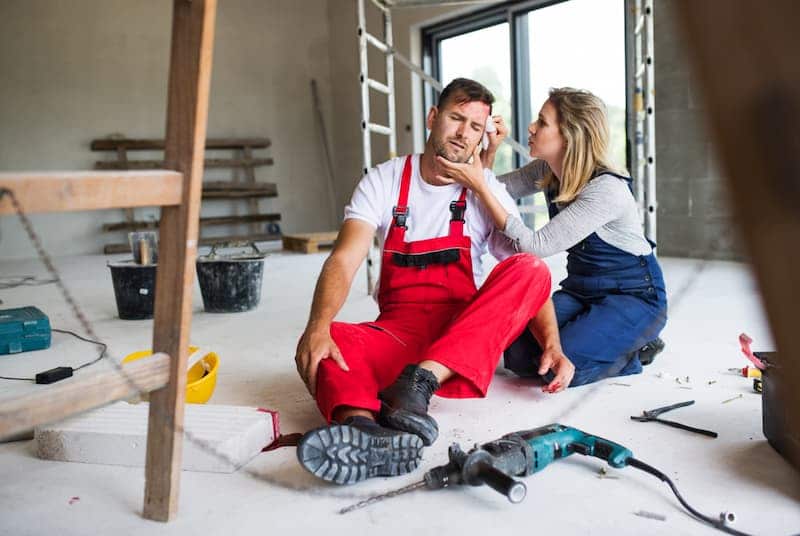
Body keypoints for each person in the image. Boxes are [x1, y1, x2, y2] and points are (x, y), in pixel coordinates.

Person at [294, 78, 573, 486]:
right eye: (456, 119)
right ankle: (364, 433)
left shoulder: (486, 191)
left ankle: (419, 383)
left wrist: (552, 344)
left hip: (460, 337)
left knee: (531, 267)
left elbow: (524, 276)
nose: (463, 133)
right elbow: (345, 255)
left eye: (475, 127)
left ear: (482, 135)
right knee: (327, 341)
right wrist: (317, 327)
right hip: (399, 333)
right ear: (433, 117)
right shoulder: (385, 180)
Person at [435, 87, 667, 388]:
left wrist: (480, 186)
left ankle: (636, 350)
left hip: (633, 297)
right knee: (517, 356)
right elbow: (497, 189)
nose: (531, 127)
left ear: (569, 136)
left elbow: (535, 246)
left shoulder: (606, 189)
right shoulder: (549, 169)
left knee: (555, 368)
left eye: (542, 123)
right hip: (580, 290)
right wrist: (489, 152)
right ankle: (607, 338)